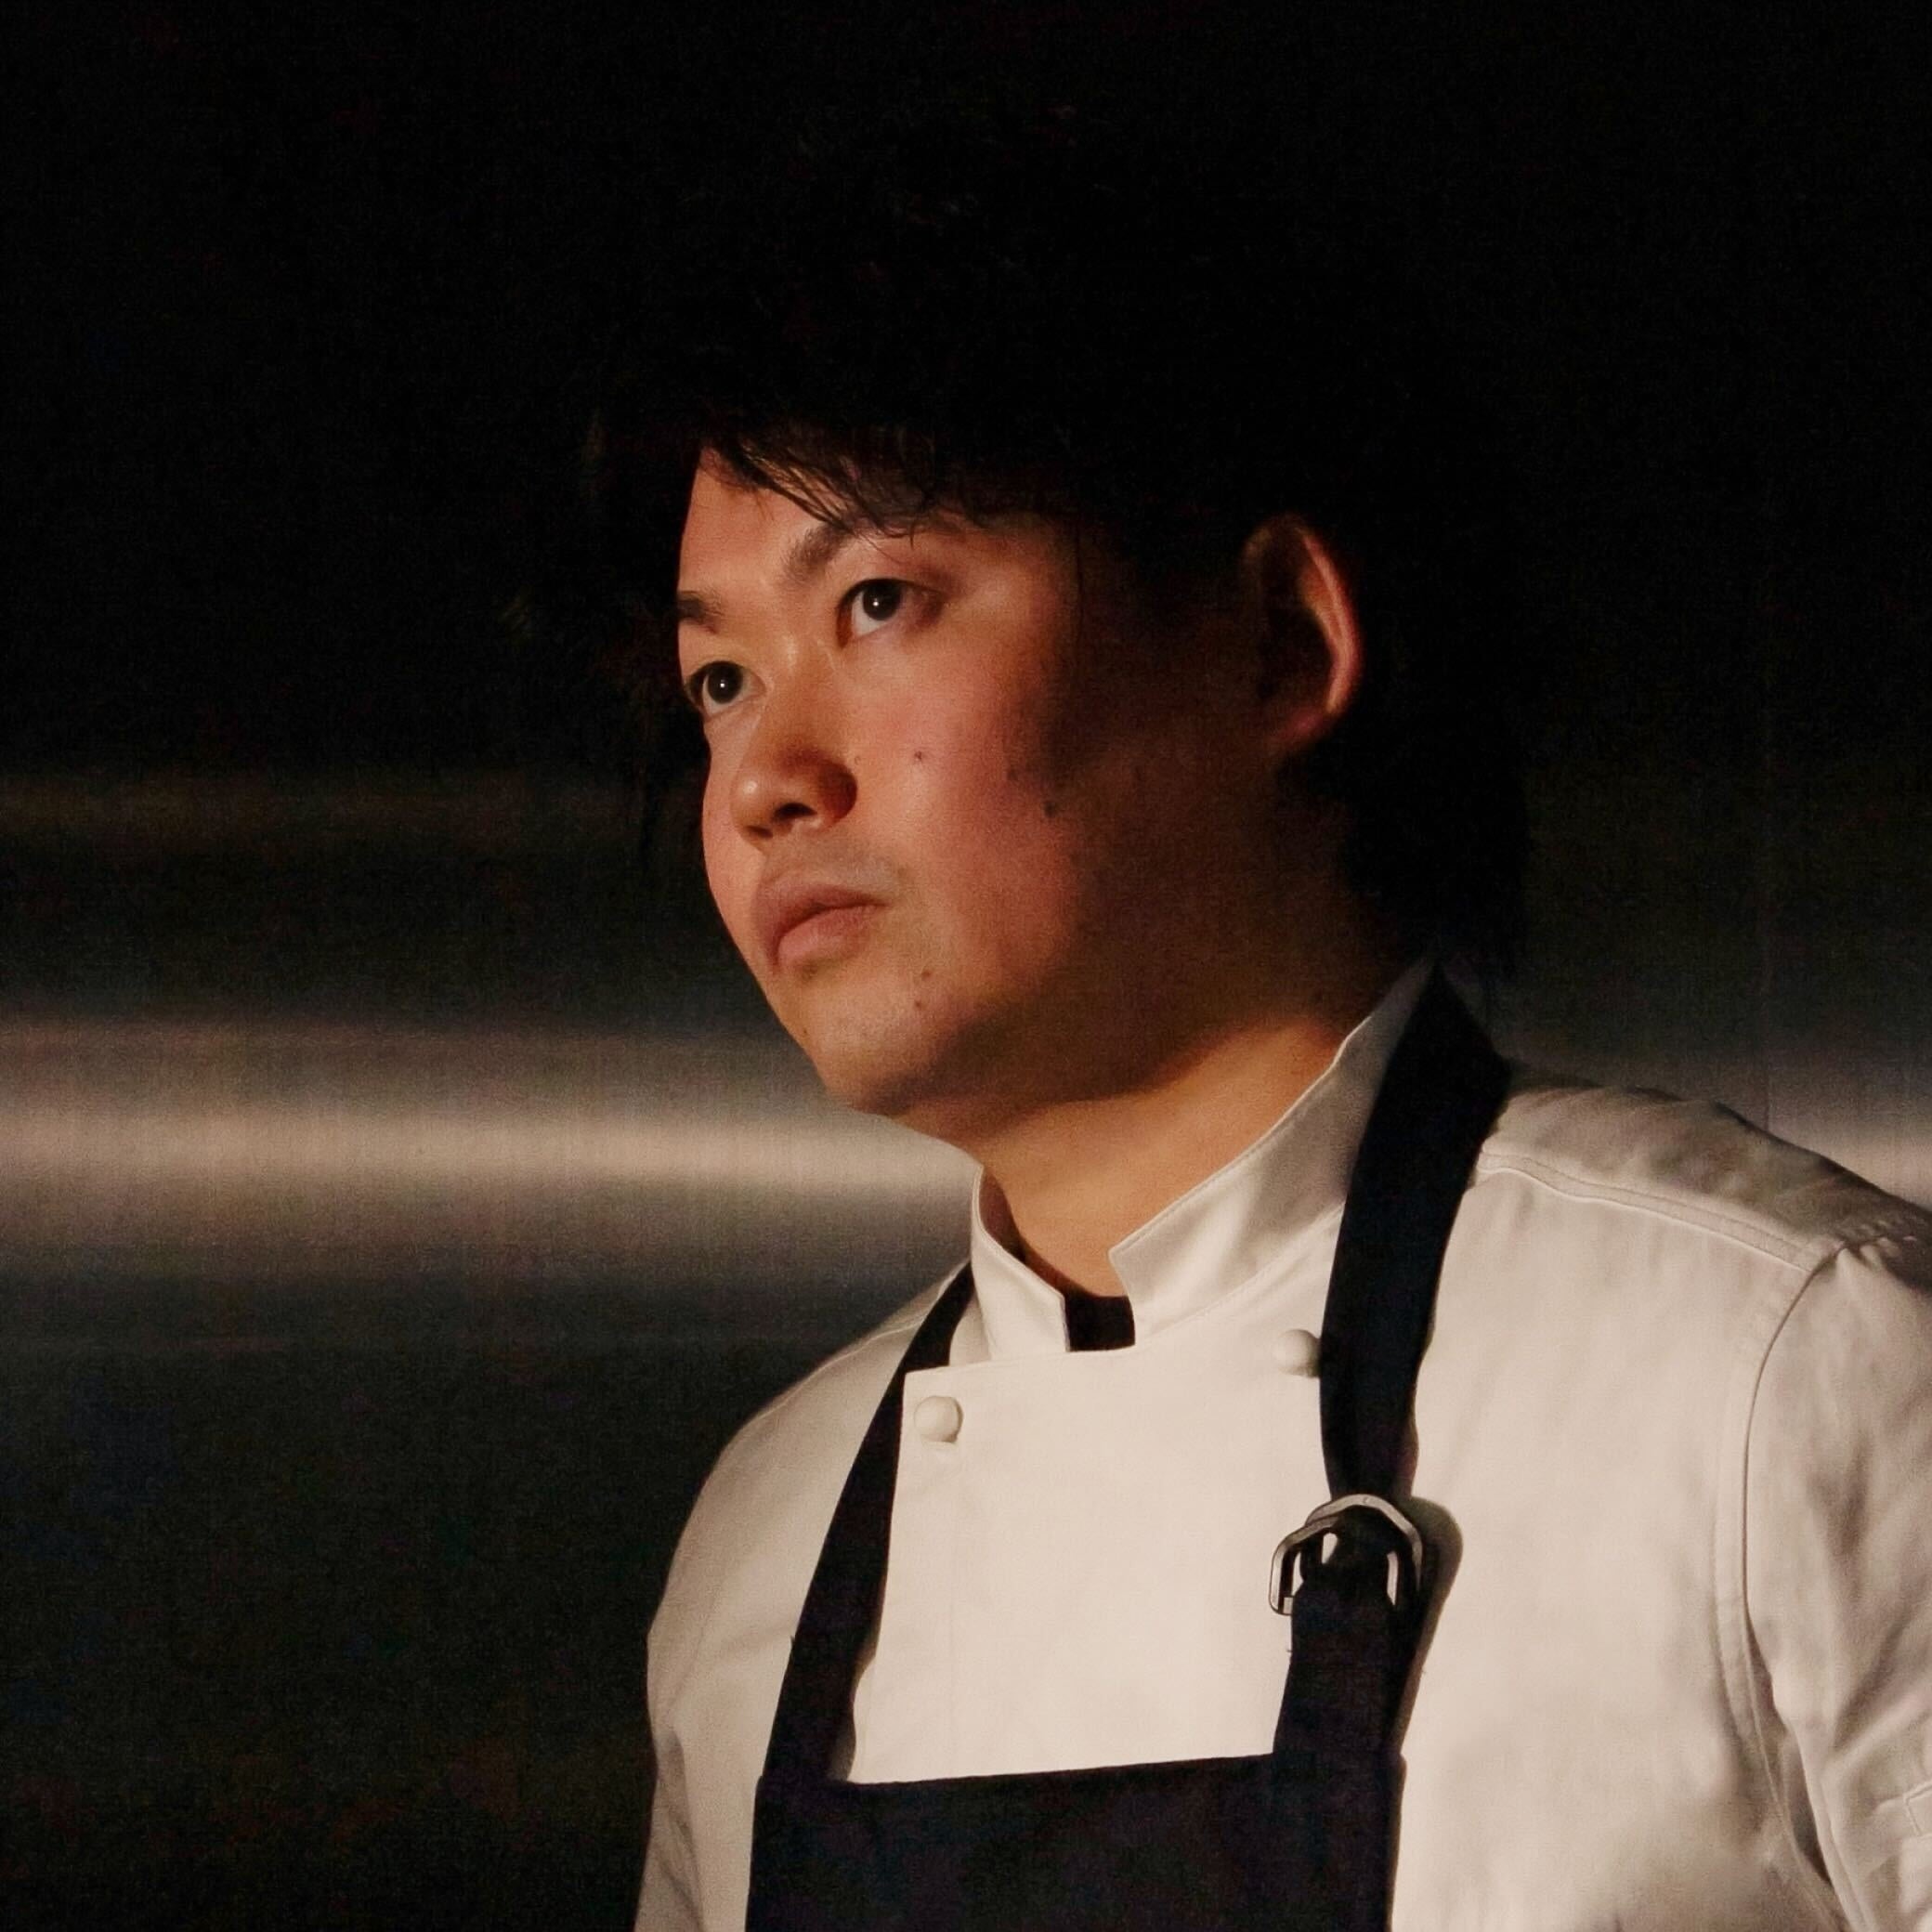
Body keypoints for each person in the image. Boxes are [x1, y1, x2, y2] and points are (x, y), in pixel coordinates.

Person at [624, 112, 1932, 1930]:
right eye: (717, 677)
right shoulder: (766, 1536)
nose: (767, 773)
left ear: (1276, 648)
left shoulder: (1784, 1377)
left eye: (877, 600)